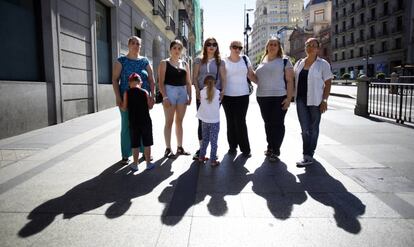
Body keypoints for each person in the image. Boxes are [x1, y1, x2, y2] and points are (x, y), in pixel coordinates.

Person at [112, 36, 155, 164]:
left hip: (142, 100)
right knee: (126, 126)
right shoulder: (121, 61)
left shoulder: (145, 61)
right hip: (126, 99)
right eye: (133, 43)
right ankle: (126, 154)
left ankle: (144, 152)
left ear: (140, 46)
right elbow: (115, 80)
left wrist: (152, 97)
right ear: (129, 45)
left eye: (138, 44)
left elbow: (151, 80)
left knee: (143, 125)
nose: (136, 46)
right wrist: (118, 97)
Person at [252, 38, 294, 162]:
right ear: (267, 47)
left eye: (275, 44)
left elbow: (290, 80)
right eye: (270, 44)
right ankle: (270, 146)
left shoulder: (285, 61)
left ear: (279, 47)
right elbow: (258, 80)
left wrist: (288, 98)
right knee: (268, 124)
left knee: (278, 124)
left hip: (279, 97)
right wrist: (250, 74)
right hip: (262, 97)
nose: (272, 46)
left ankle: (276, 150)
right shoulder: (262, 61)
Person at [293, 38, 333, 167]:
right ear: (305, 47)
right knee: (305, 129)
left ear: (318, 48)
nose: (310, 47)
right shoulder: (299, 63)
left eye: (313, 45)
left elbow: (328, 83)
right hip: (300, 100)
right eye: (308, 45)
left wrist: (325, 100)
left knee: (314, 128)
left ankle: (309, 155)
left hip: (316, 100)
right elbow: (292, 79)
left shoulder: (323, 64)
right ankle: (306, 154)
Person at [193, 37, 226, 160]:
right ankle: (202, 150)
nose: (211, 46)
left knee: (213, 122)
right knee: (201, 121)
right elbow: (194, 77)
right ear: (205, 46)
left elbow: (224, 78)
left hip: (215, 96)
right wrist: (197, 90)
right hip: (201, 95)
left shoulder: (220, 62)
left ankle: (213, 151)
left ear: (217, 47)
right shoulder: (198, 60)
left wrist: (223, 92)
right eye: (209, 44)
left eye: (214, 44)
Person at [158, 40, 192, 158]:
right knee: (169, 121)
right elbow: (160, 82)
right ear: (170, 50)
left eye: (179, 48)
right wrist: (165, 96)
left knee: (179, 122)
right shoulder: (164, 63)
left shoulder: (185, 64)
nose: (177, 51)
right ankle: (168, 148)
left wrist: (190, 95)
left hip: (182, 92)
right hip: (169, 92)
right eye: (174, 48)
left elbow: (188, 82)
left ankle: (180, 147)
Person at [222, 40, 254, 157]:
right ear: (230, 48)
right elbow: (221, 78)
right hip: (227, 96)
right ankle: (232, 146)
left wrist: (263, 83)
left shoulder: (245, 59)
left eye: (240, 48)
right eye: (235, 47)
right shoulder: (224, 61)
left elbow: (251, 74)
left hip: (243, 95)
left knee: (240, 121)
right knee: (230, 121)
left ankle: (245, 149)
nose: (237, 50)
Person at [120, 73, 155, 171]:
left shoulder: (126, 93)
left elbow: (124, 108)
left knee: (135, 144)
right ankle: (148, 163)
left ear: (129, 83)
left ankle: (135, 164)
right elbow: (150, 107)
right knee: (147, 143)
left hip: (133, 122)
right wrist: (152, 101)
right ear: (140, 82)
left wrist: (120, 104)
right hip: (146, 121)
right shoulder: (144, 92)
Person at [196, 75, 221, 166]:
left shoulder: (202, 92)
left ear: (205, 83)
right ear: (215, 83)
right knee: (214, 142)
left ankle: (201, 157)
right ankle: (213, 160)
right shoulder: (218, 92)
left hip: (204, 120)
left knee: (205, 139)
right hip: (214, 121)